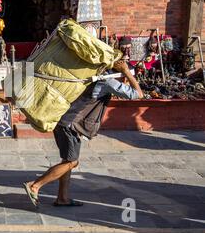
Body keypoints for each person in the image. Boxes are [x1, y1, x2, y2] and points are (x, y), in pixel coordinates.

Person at [23, 59, 143, 207]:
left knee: (67, 160)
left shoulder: (95, 74)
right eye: (123, 76)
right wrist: (126, 72)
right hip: (70, 124)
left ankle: (63, 198)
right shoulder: (107, 82)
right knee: (72, 161)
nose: (124, 80)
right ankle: (35, 185)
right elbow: (137, 94)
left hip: (63, 121)